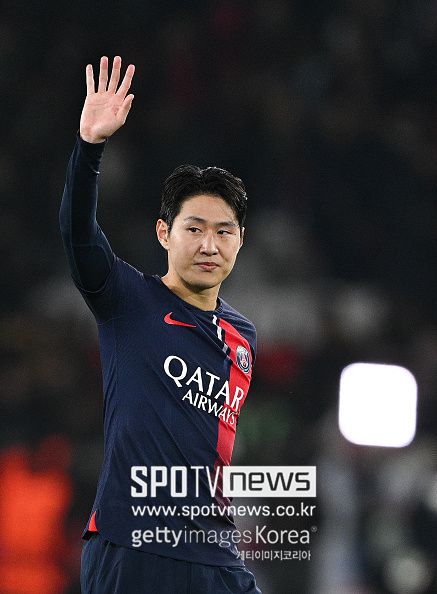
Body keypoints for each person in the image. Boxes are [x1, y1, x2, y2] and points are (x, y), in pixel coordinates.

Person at [59, 56, 261, 594]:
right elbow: (78, 235)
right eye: (194, 228)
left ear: (240, 240)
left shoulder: (243, 337)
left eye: (224, 231)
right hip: (132, 548)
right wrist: (89, 147)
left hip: (213, 553)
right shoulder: (127, 300)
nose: (209, 245)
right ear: (163, 233)